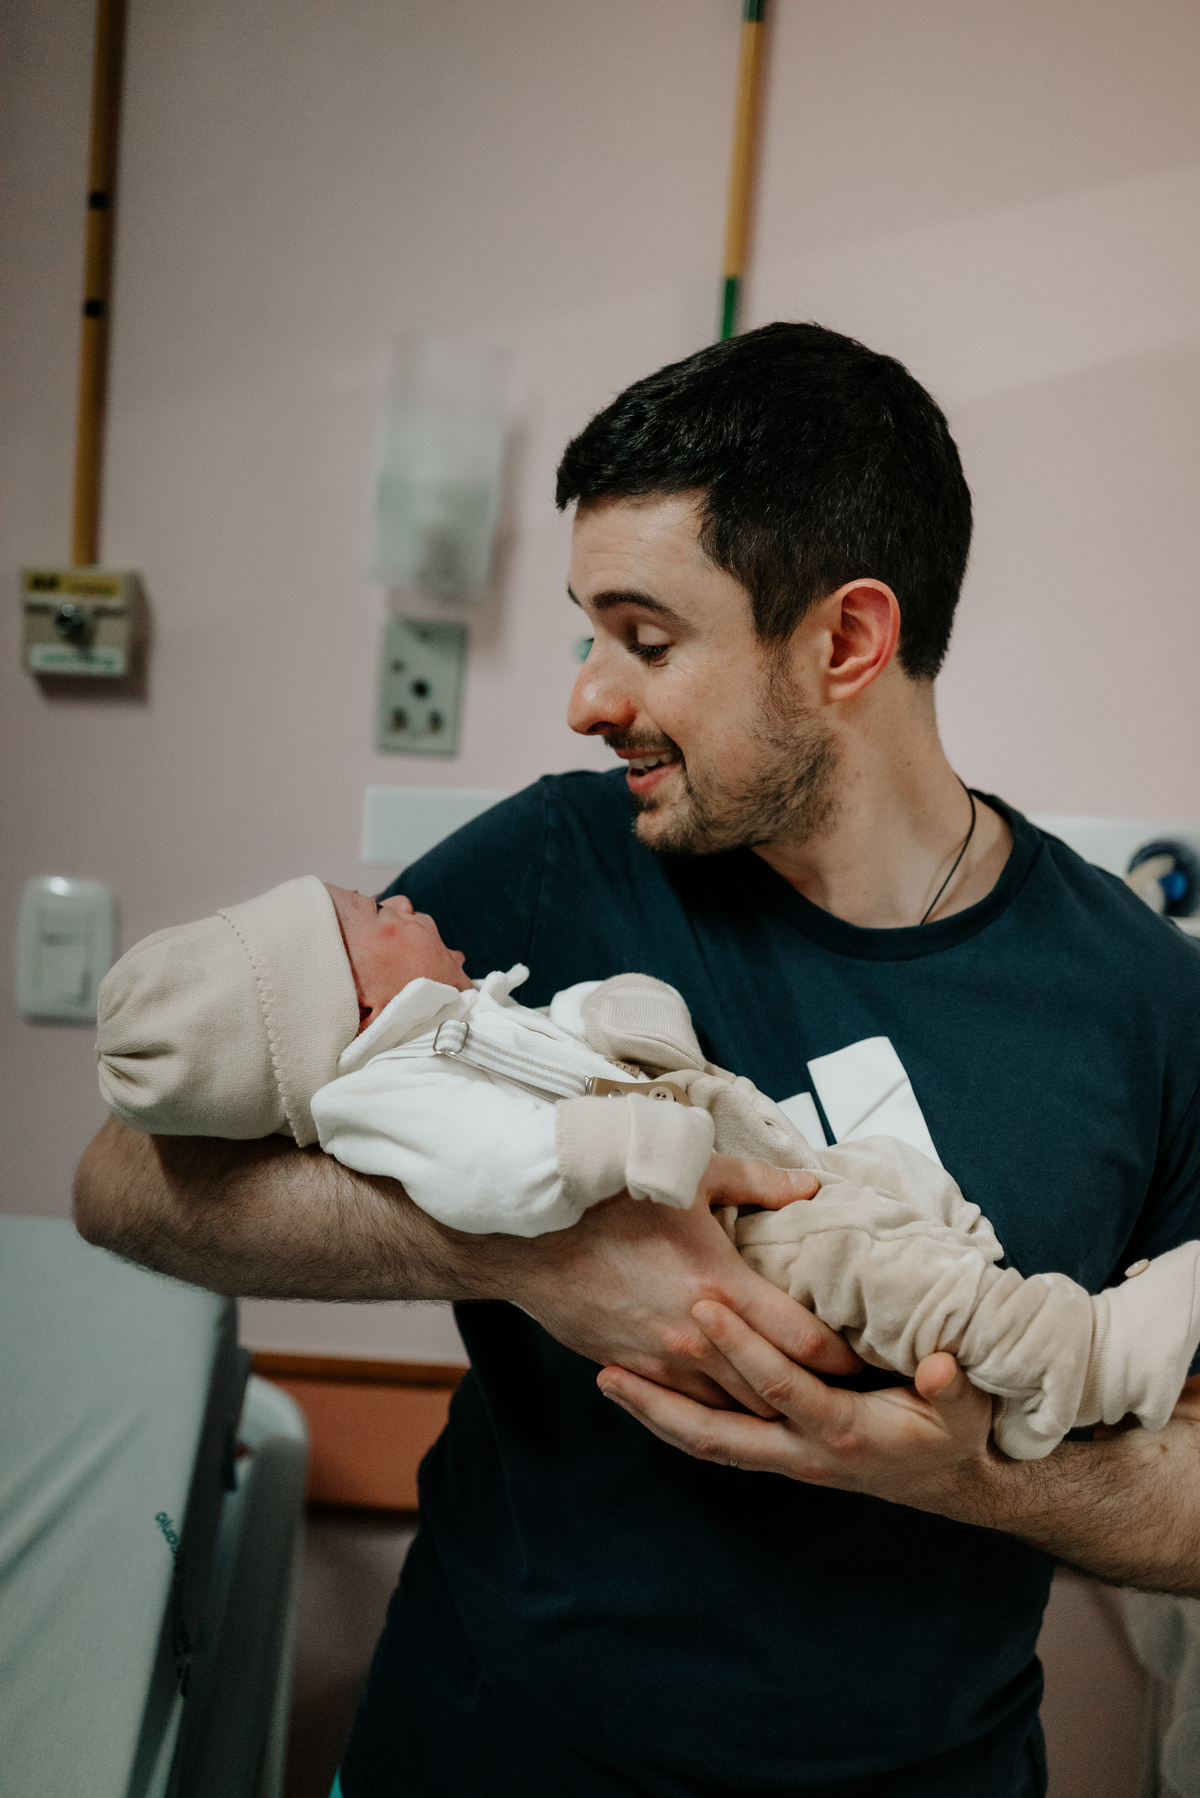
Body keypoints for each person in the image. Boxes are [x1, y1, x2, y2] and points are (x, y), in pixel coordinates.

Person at [73, 322, 1200, 1798]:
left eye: (647, 639)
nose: (589, 699)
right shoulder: (556, 861)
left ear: (846, 642)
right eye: (587, 634)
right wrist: (530, 1252)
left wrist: (966, 1470)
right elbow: (125, 1179)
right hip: (479, 1756)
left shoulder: (1145, 1002)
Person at [95, 875, 1200, 1464]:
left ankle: (1005, 1386)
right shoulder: (382, 1088)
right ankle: (1082, 1357)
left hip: (754, 1151)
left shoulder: (461, 1023)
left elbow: (566, 1046)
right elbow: (488, 1165)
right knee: (870, 1267)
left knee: (889, 1189)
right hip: (728, 1226)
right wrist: (613, 1181)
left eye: (649, 639)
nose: (400, 902)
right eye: (368, 916)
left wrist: (612, 1016)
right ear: (354, 1003)